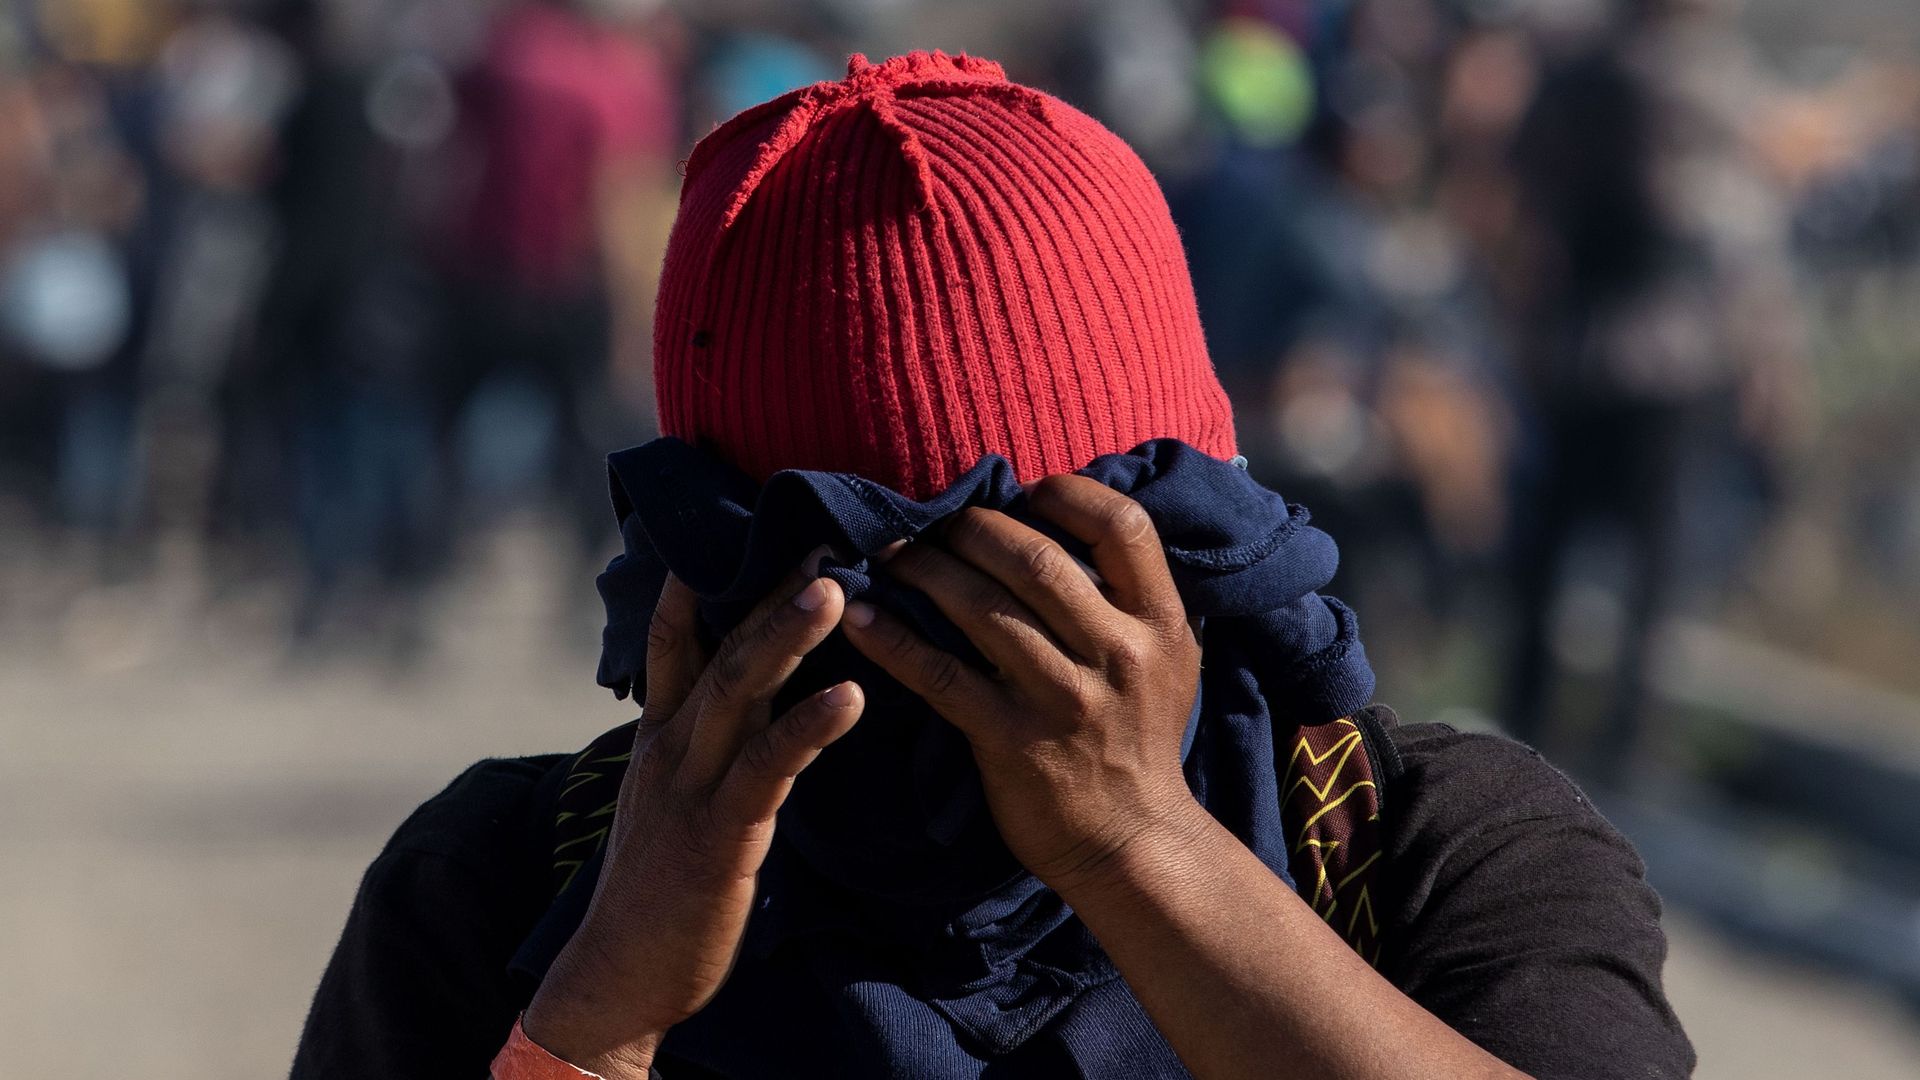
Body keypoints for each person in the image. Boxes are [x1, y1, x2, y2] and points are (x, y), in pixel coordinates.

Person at [293, 51, 1695, 1080]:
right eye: (850, 589)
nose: (955, 676)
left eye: (1041, 577)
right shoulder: (502, 890)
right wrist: (596, 1021)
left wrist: (1138, 848)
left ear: (1181, 544)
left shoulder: (1423, 852)